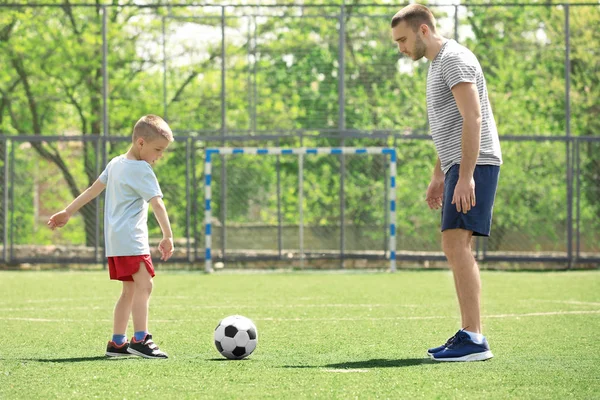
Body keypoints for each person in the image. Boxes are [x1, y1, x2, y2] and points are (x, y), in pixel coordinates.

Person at [391, 4, 502, 362]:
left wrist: (466, 175)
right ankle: (470, 334)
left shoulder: (453, 59)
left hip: (477, 162)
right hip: (460, 163)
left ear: (423, 31)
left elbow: (473, 117)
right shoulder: (437, 65)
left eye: (403, 40)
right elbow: (452, 125)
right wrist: (440, 174)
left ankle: (475, 338)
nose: (401, 48)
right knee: (453, 244)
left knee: (456, 244)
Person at [47, 115, 175, 359]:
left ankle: (117, 343)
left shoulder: (115, 163)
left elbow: (92, 190)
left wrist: (68, 211)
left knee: (129, 289)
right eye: (157, 149)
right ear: (140, 143)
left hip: (115, 241)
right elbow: (158, 205)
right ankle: (140, 339)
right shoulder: (142, 169)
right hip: (132, 239)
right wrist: (168, 236)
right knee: (145, 284)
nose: (159, 155)